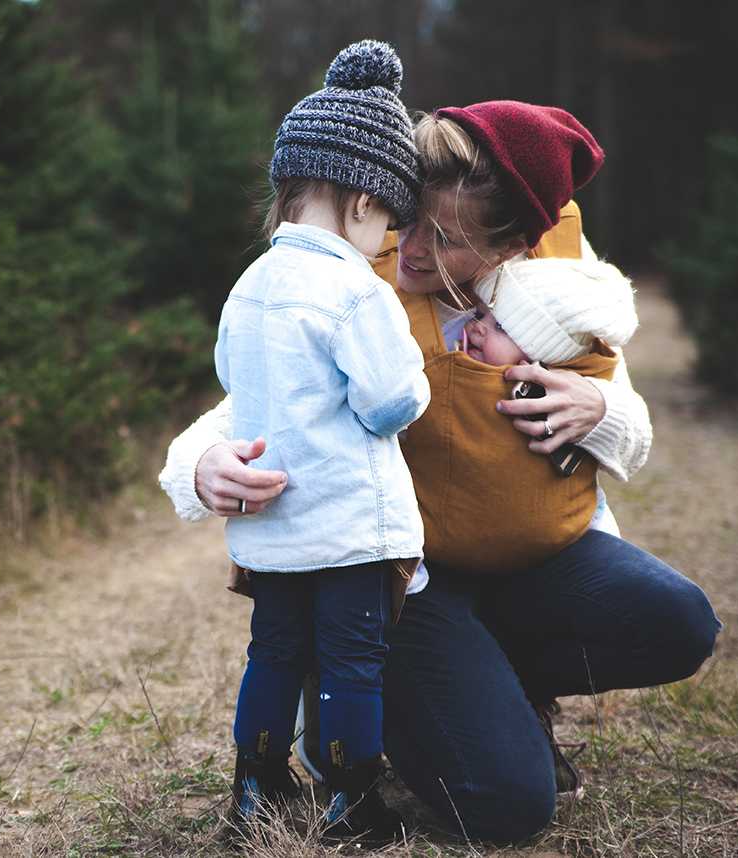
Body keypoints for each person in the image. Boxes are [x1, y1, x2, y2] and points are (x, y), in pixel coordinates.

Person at [159, 99, 722, 843]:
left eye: (446, 239)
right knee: (508, 806)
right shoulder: (360, 281)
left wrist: (599, 408)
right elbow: (254, 400)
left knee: (680, 622)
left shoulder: (558, 293)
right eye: (409, 220)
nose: (412, 248)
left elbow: (632, 427)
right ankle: (382, 686)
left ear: (514, 246)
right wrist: (199, 465)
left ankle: (497, 683)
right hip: (406, 582)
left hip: (533, 563)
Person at [217, 40, 428, 846]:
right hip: (348, 528)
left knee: (270, 653)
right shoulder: (354, 289)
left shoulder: (249, 285)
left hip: (272, 530)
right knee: (349, 667)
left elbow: (234, 379)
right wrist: (413, 373)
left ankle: (255, 786)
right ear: (365, 201)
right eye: (390, 223)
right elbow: (388, 404)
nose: (387, 242)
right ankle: (351, 801)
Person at [422, 255, 639, 574]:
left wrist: (604, 410)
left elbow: (633, 444)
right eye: (479, 314)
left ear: (541, 355)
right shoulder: (448, 352)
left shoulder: (564, 381)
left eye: (499, 326)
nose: (476, 328)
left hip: (562, 539)